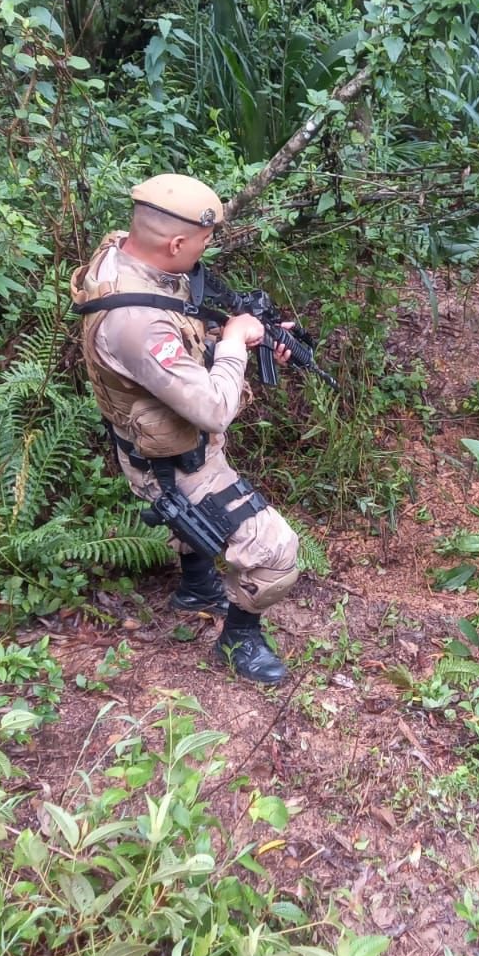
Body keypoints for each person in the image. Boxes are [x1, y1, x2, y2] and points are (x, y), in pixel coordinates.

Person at [70, 173, 299, 685]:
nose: (205, 250)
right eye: (204, 241)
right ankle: (239, 639)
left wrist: (240, 333)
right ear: (175, 243)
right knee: (277, 550)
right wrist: (235, 342)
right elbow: (214, 409)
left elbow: (178, 326)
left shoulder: (123, 257)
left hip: (158, 442)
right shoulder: (135, 323)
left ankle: (197, 588)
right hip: (168, 462)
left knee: (202, 517)